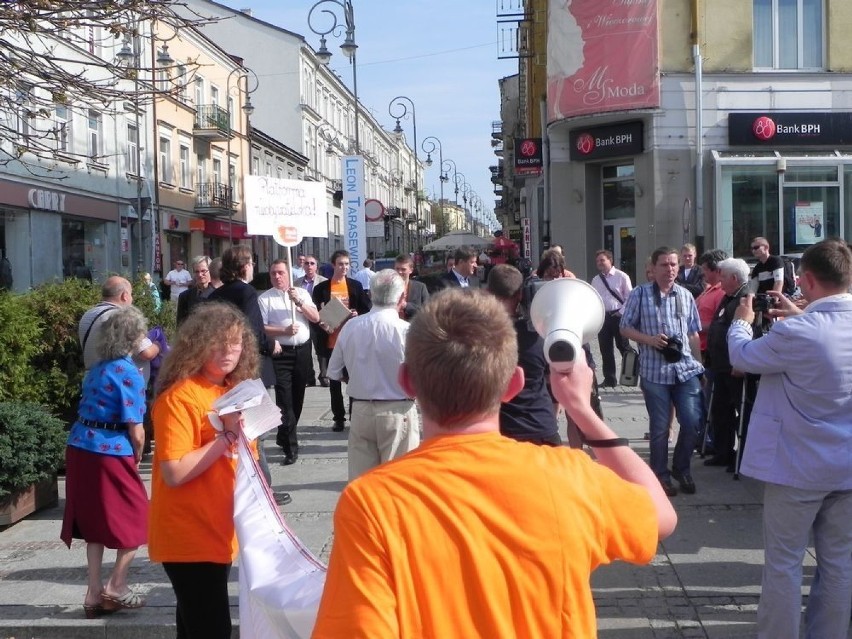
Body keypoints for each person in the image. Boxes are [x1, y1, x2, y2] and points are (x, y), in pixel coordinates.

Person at [311, 288, 677, 637]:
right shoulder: (568, 475)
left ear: (408, 382)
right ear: (513, 385)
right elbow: (661, 516)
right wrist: (581, 409)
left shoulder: (371, 503)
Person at [728, 239, 852, 639]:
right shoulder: (806, 326)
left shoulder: (799, 331)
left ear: (807, 279)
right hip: (846, 469)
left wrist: (741, 320)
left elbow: (742, 357)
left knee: (784, 563)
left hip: (795, 467)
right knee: (839, 565)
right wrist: (800, 312)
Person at [149, 302, 259, 639]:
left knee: (195, 626)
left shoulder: (231, 390)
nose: (229, 351)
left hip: (219, 531)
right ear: (198, 345)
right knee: (211, 629)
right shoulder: (180, 398)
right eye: (220, 342)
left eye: (236, 342)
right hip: (189, 534)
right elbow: (175, 471)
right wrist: (226, 434)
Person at [61, 306, 149, 618]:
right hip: (109, 449)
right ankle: (117, 585)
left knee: (94, 523)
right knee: (139, 516)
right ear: (133, 338)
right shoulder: (129, 373)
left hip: (79, 446)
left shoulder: (97, 367)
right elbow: (136, 429)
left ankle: (93, 592)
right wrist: (137, 454)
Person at [620, 246, 704, 497]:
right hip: (655, 372)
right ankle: (660, 474)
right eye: (664, 265)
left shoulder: (686, 295)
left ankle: (681, 467)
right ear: (653, 269)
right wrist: (649, 340)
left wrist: (700, 367)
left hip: (685, 369)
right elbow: (625, 328)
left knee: (692, 422)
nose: (669, 270)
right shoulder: (640, 294)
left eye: (674, 265)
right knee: (659, 428)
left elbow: (693, 334)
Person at [328, 269, 420, 479]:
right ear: (402, 297)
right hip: (398, 409)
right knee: (399, 481)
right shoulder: (406, 330)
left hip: (361, 409)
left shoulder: (351, 326)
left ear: (371, 294)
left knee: (363, 483)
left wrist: (359, 376)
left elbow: (334, 371)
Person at [487, 264, 560, 446]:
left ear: (488, 292)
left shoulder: (479, 335)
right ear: (520, 294)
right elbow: (554, 382)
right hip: (541, 427)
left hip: (500, 432)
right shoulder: (539, 335)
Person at [258, 259, 320, 465]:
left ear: (288, 274)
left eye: (281, 273)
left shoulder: (301, 293)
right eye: (274, 273)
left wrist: (299, 303)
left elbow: (315, 317)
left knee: (297, 398)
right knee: (284, 400)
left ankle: (285, 433)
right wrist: (283, 331)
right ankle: (290, 447)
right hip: (280, 354)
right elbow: (263, 327)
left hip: (302, 351)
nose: (277, 277)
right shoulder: (265, 298)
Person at [312, 250, 371, 432]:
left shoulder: (355, 285)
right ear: (333, 265)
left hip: (352, 340)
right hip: (331, 341)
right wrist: (322, 321)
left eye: (346, 264)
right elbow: (315, 315)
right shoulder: (321, 288)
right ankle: (338, 417)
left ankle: (355, 415)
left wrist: (356, 313)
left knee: (353, 380)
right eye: (340, 264)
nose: (344, 267)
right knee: (334, 382)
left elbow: (367, 308)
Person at [705, 258, 752, 471]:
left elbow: (750, 332)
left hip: (736, 367)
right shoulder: (728, 297)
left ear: (734, 278)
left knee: (742, 413)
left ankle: (743, 458)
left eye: (723, 276)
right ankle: (723, 452)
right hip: (720, 365)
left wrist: (740, 363)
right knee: (720, 411)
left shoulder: (745, 299)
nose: (720, 280)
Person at [78, 276, 159, 384]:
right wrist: (158, 344)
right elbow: (146, 352)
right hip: (120, 386)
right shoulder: (124, 318)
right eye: (131, 294)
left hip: (92, 382)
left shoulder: (88, 315)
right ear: (124, 296)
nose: (132, 299)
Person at [590, 249, 632, 387]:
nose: (599, 263)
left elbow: (630, 298)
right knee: (605, 349)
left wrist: (621, 312)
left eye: (602, 260)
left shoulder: (622, 276)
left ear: (610, 260)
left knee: (623, 346)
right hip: (604, 317)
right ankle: (610, 379)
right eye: (597, 261)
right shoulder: (596, 280)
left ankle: (629, 377)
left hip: (619, 316)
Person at [295, 255, 327, 387]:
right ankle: (309, 377)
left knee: (321, 349)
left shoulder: (324, 281)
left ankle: (324, 375)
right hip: (303, 319)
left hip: (319, 319)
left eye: (312, 263)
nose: (309, 266)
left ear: (316, 266)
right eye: (306, 263)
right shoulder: (297, 282)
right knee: (306, 349)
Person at [176, 255, 214, 325]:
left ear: (210, 271)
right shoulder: (185, 296)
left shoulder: (219, 293)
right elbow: (180, 324)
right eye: (196, 272)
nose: (200, 275)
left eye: (203, 271)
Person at [394, 253, 429, 320]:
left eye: (403, 269)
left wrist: (406, 305)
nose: (400, 272)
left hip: (413, 327)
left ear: (411, 270)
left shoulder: (420, 287)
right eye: (397, 269)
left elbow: (427, 310)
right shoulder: (387, 288)